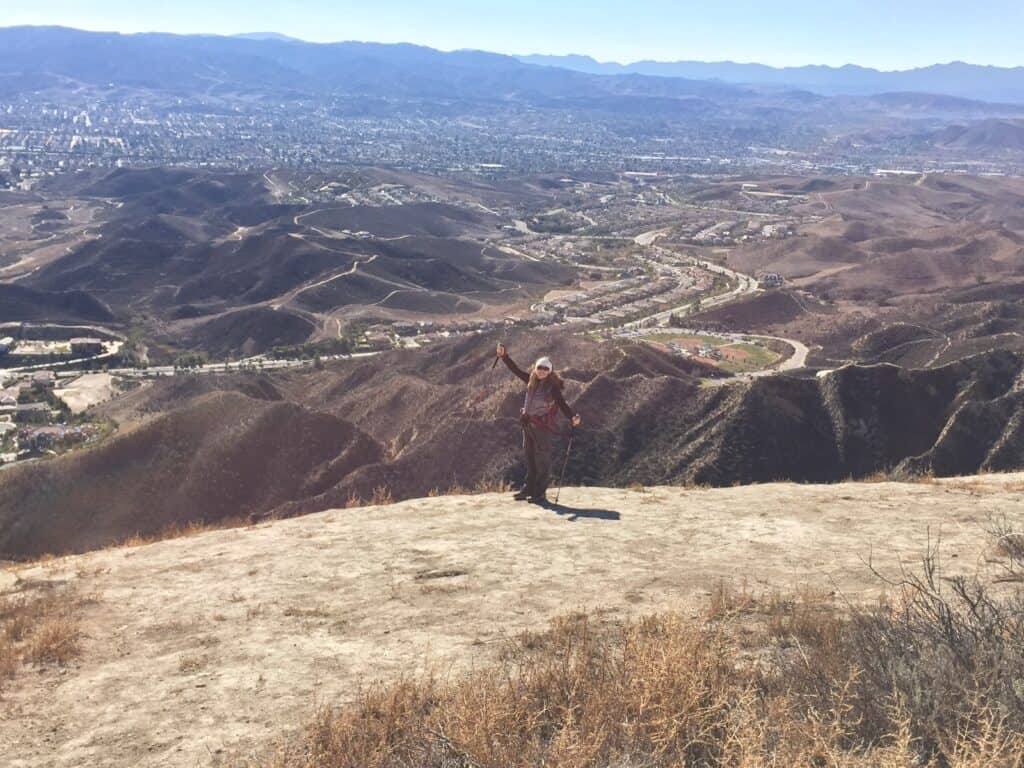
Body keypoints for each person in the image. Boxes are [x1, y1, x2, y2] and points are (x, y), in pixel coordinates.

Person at [496, 343, 582, 503]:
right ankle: (529, 488)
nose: (542, 371)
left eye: (545, 368)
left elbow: (562, 403)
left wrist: (572, 417)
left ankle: (540, 492)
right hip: (528, 425)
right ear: (535, 368)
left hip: (542, 428)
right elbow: (515, 370)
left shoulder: (552, 387)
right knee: (530, 457)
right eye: (539, 367)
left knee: (542, 459)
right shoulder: (531, 380)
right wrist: (504, 356)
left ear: (550, 371)